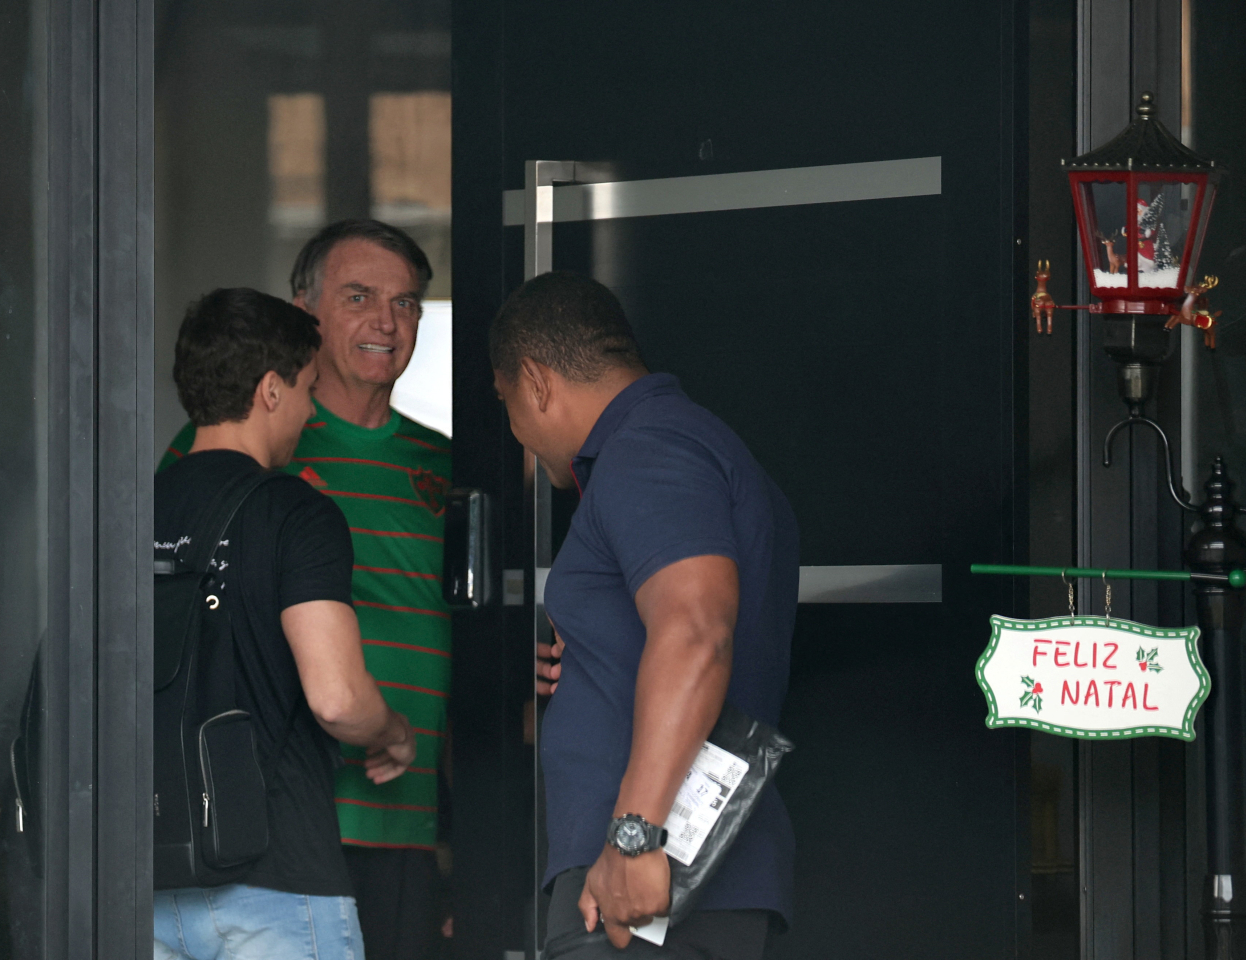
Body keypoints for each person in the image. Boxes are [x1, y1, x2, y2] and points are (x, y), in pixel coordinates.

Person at [159, 221, 453, 960]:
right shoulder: (230, 461)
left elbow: (489, 619)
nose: (387, 321)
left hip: (407, 822)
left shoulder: (452, 464)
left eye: (408, 302)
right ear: (305, 313)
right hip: (260, 821)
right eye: (359, 296)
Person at [491, 272, 799, 959]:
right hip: (668, 881)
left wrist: (632, 836)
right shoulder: (678, 449)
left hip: (642, 889)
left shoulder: (648, 452)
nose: (516, 430)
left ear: (536, 382)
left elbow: (695, 631)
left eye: (508, 401)